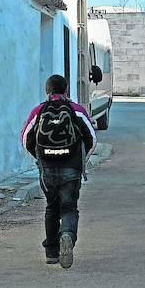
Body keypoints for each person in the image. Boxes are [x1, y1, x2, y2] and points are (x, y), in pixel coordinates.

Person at [21, 75, 95, 269]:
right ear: (66, 89)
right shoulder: (76, 110)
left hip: (47, 168)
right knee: (69, 207)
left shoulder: (39, 110)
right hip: (71, 167)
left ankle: (52, 253)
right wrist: (81, 158)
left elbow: (25, 138)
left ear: (47, 91)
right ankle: (67, 235)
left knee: (51, 208)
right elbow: (92, 139)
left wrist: (39, 158)